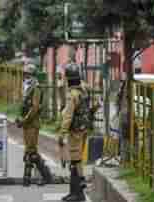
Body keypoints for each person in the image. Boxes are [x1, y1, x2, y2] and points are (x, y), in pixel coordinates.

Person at [16, 64, 53, 187]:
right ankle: (32, 178)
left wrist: (24, 120)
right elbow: (25, 106)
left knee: (31, 151)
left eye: (27, 74)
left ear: (32, 75)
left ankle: (42, 177)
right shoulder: (27, 88)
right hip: (27, 123)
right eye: (24, 74)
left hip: (32, 123)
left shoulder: (36, 88)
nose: (25, 76)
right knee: (29, 150)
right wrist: (21, 118)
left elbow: (35, 107)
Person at [59, 62, 90, 202]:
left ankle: (78, 191)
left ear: (68, 79)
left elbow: (68, 116)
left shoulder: (72, 95)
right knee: (76, 159)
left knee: (75, 160)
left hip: (74, 131)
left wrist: (62, 133)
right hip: (83, 128)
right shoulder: (83, 90)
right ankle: (76, 193)